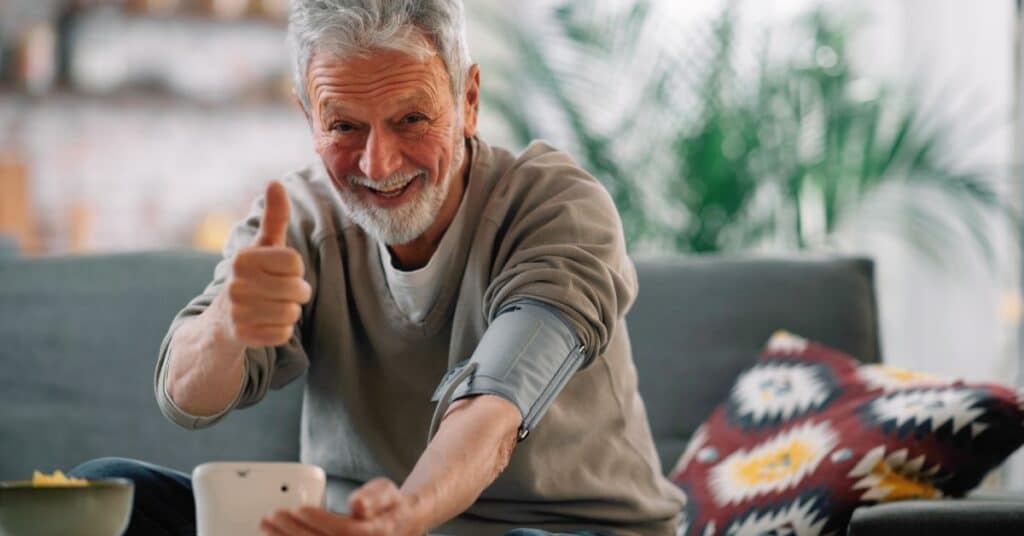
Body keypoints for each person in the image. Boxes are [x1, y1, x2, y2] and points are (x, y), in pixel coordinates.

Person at [70, 1, 685, 534]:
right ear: (309, 116)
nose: (377, 161)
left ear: (468, 100)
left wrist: (405, 519)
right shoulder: (299, 220)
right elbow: (185, 396)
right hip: (351, 528)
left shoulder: (556, 207)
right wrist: (226, 327)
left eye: (411, 119)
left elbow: (495, 409)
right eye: (344, 125)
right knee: (107, 493)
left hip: (556, 530)